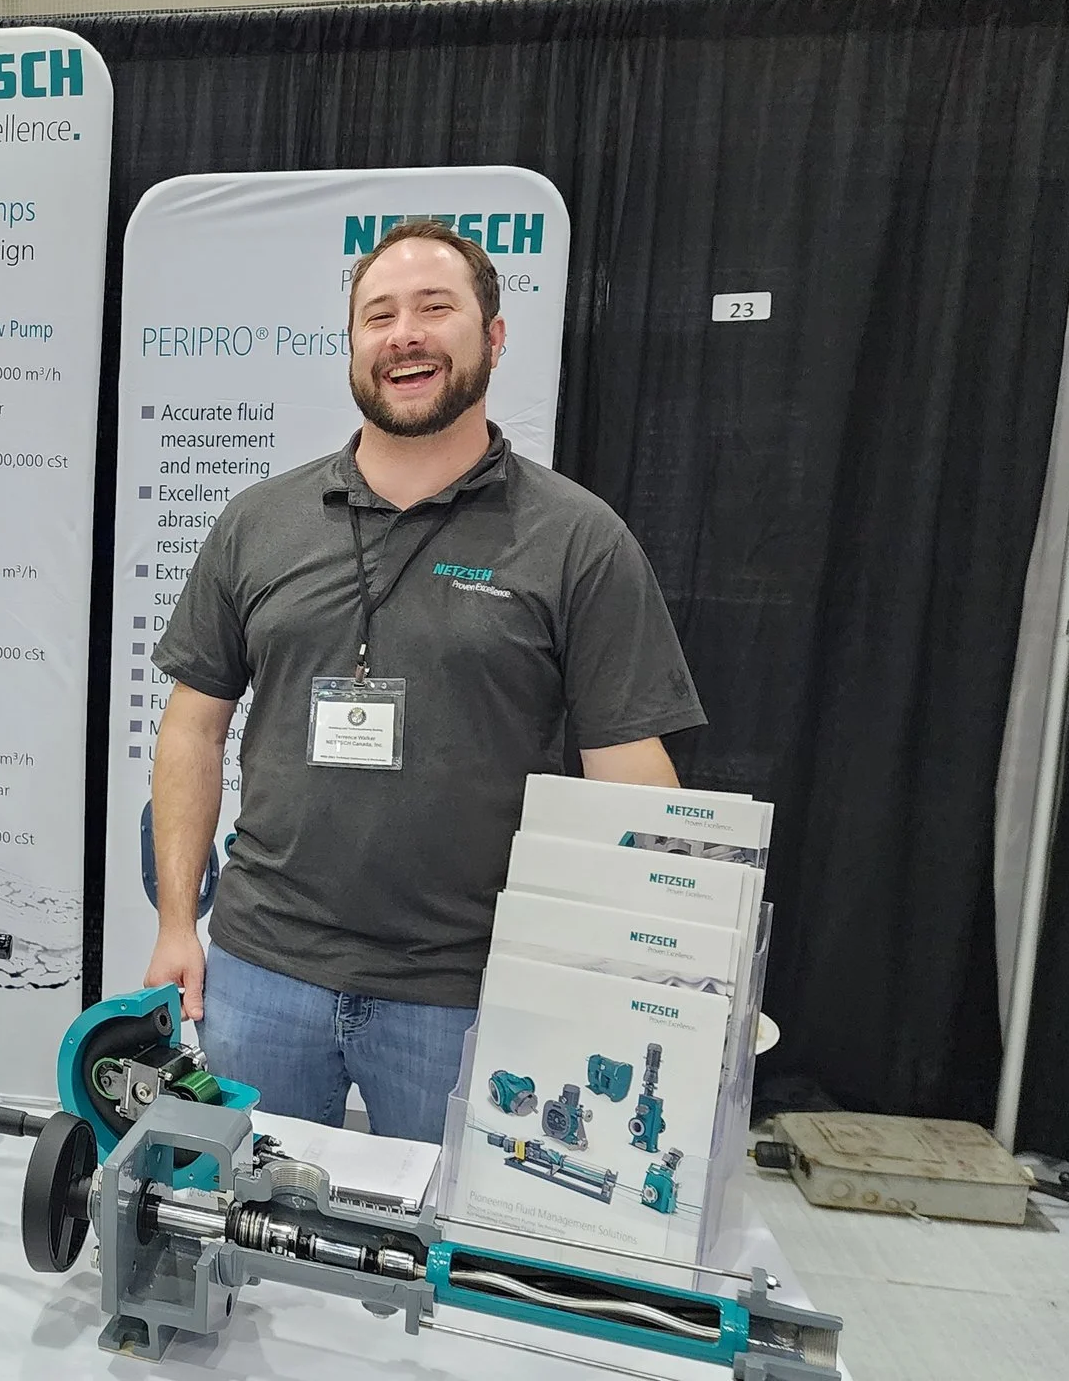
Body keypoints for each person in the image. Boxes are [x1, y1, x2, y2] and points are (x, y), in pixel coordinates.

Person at [143, 220, 705, 1143]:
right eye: (378, 315)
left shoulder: (577, 540)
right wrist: (177, 922)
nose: (404, 334)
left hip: (470, 994)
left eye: (435, 308)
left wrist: (666, 964)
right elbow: (192, 727)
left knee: (445, 1270)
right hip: (262, 974)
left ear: (493, 334)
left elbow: (626, 766)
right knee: (239, 1252)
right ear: (354, 346)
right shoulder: (261, 523)